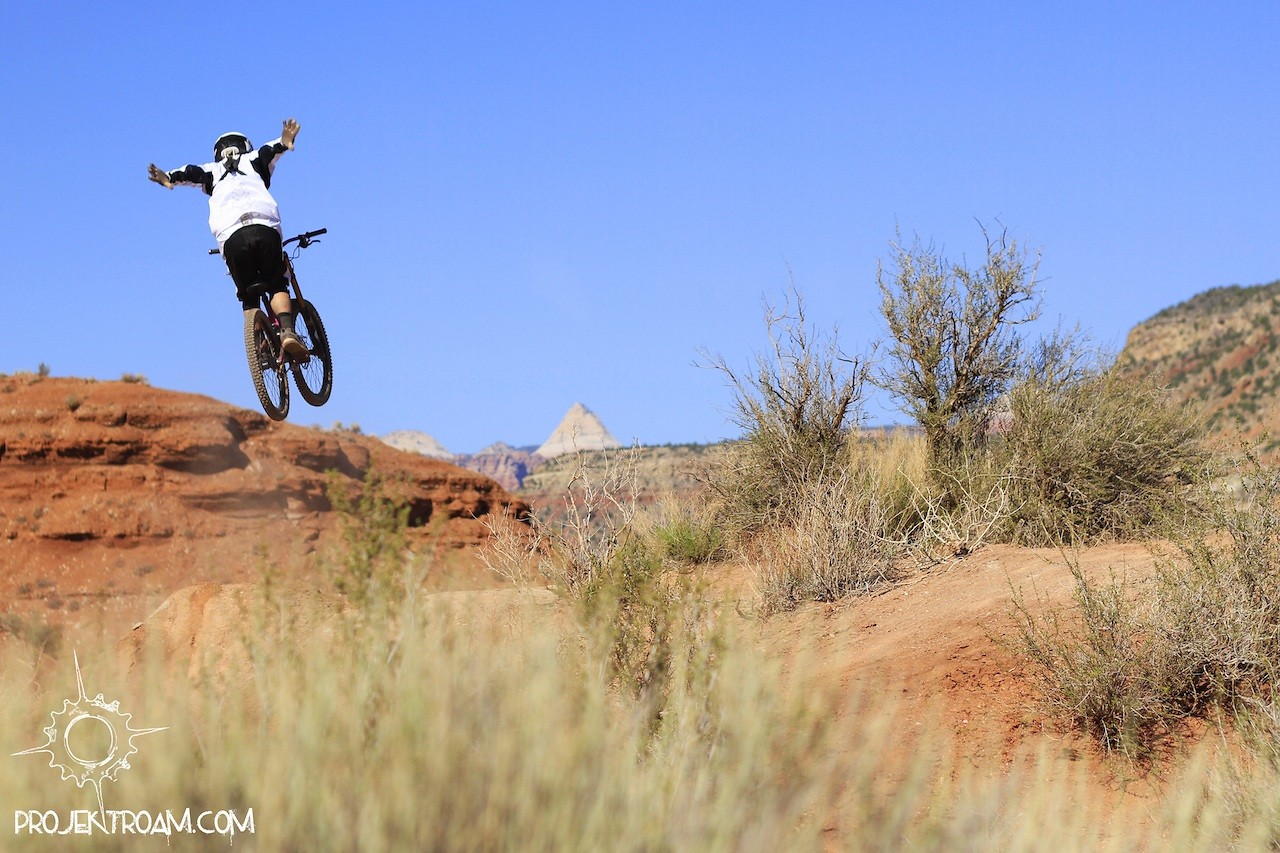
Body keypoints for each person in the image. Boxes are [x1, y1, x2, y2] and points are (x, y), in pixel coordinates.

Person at [147, 118, 307, 356]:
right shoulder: (253, 160)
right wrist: (285, 141)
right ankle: (287, 332)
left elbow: (189, 172)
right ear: (245, 146)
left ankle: (260, 348)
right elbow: (270, 150)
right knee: (276, 282)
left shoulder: (211, 171)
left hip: (231, 237)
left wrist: (167, 178)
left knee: (249, 296)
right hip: (265, 226)